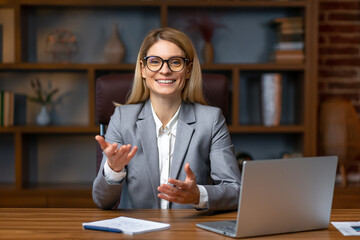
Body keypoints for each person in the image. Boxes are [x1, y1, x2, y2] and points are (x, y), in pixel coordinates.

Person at [93, 27, 241, 210]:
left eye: (175, 62)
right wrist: (113, 170)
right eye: (155, 62)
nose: (165, 70)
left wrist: (198, 195)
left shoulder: (211, 120)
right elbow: (102, 200)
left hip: (189, 233)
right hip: (137, 232)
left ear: (188, 70)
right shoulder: (122, 119)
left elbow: (235, 191)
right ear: (143, 69)